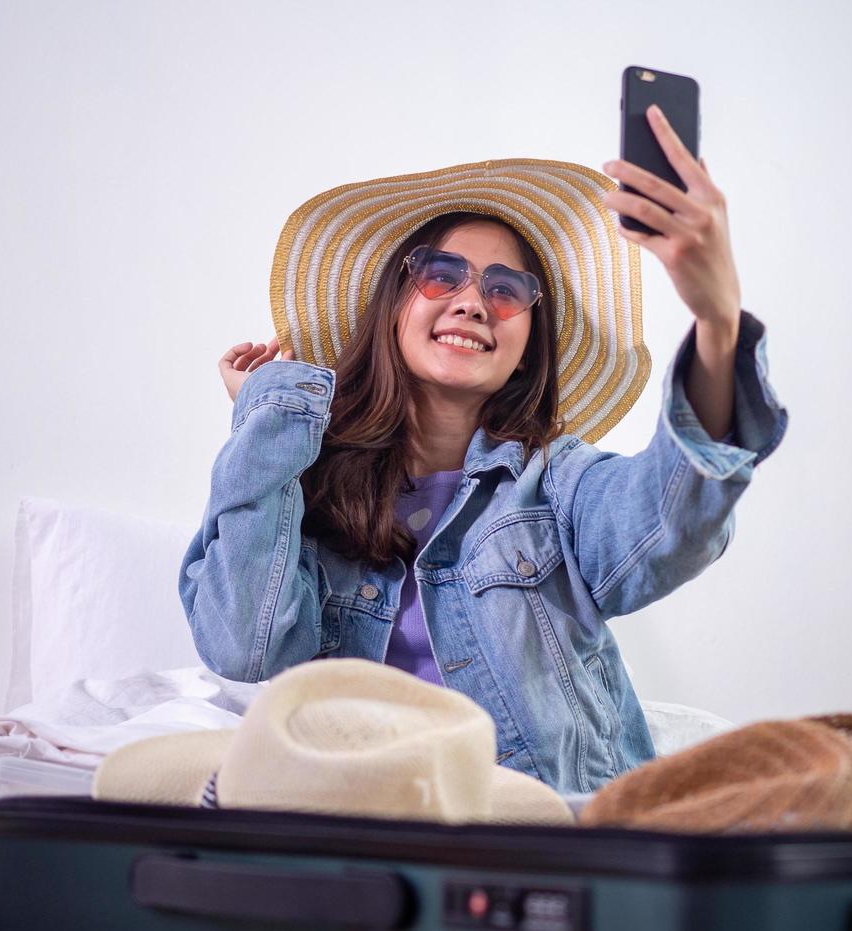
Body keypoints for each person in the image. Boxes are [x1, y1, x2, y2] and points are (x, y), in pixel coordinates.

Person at [181, 109, 788, 794]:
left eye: (505, 291)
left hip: (531, 837)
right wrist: (267, 418)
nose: (473, 302)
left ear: (530, 344)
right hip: (352, 823)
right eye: (442, 274)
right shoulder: (306, 487)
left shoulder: (558, 485)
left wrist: (716, 318)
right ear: (391, 307)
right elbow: (243, 645)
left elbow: (671, 522)